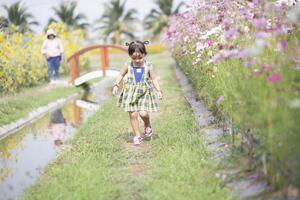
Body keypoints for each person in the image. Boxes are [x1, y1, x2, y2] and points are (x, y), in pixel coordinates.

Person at [112, 41, 163, 145]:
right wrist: (116, 84)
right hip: (130, 93)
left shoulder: (148, 65)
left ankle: (147, 124)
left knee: (143, 113)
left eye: (140, 57)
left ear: (144, 54)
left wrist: (158, 90)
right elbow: (121, 74)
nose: (137, 60)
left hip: (144, 92)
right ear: (130, 56)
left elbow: (153, 79)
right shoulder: (128, 65)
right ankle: (137, 136)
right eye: (134, 58)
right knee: (133, 114)